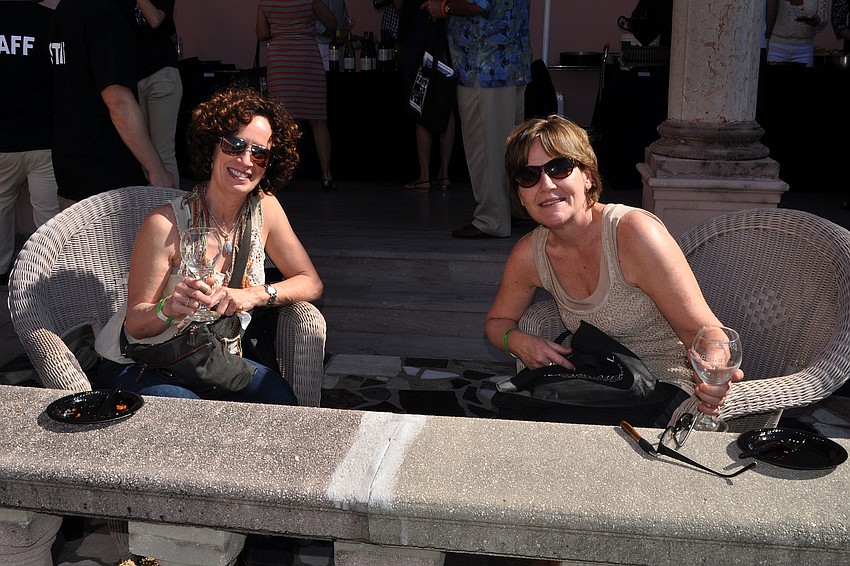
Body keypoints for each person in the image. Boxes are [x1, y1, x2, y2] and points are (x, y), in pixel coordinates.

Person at [485, 115, 743, 428]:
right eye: (529, 175)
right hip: (597, 380)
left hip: (663, 383)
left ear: (588, 177)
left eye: (560, 167)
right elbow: (498, 323)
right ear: (520, 193)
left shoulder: (633, 235)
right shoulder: (530, 253)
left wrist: (715, 371)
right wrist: (518, 341)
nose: (547, 184)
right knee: (513, 419)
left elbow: (708, 332)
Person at [93, 84, 322, 402]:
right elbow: (137, 323)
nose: (245, 160)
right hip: (146, 362)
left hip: (213, 361)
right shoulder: (165, 224)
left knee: (279, 399)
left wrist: (251, 295)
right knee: (186, 411)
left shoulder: (264, 208)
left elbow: (310, 282)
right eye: (235, 145)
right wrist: (171, 307)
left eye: (259, 153)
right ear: (213, 146)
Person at [48, 0, 175, 205]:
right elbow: (118, 103)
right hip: (105, 171)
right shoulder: (104, 15)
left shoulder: (64, 10)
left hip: (70, 163)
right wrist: (157, 170)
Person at [423, 0, 531, 238]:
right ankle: (511, 209)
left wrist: (444, 8)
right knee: (508, 150)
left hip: (485, 67)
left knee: (486, 150)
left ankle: (492, 219)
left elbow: (477, 3)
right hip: (509, 65)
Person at [0, 0, 61, 287]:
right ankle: (45, 274)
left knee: (0, 207)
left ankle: (1, 272)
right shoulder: (51, 20)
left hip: (4, 138)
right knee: (48, 215)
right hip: (43, 137)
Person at [257, 0, 338, 191]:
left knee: (280, 121)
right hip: (306, 56)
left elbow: (262, 34)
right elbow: (332, 22)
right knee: (318, 119)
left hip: (280, 60)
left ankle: (280, 176)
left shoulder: (265, 3)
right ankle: (326, 174)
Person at [400, 0, 456, 192]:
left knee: (420, 103)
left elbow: (400, 5)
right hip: (444, 35)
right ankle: (445, 173)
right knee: (445, 103)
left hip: (421, 35)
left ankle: (424, 176)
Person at [134, 0, 184, 187]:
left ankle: (172, 213)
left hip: (160, 75)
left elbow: (155, 20)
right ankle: (150, 211)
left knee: (162, 153)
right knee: (142, 154)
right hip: (134, 77)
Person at [765, 0, 828, 67]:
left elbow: (823, 19)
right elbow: (769, 10)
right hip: (777, 47)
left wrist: (817, 22)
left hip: (804, 50)